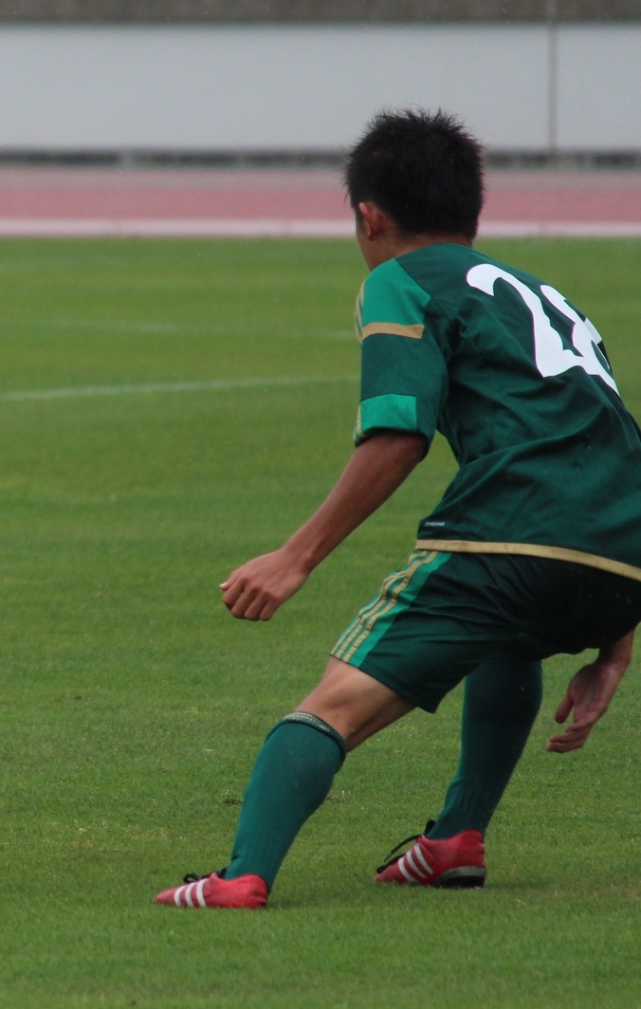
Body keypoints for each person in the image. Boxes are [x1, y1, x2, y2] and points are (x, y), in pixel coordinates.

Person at [156, 110, 641, 910]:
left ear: (368, 216)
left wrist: (295, 556)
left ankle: (241, 876)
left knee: (334, 707)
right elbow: (608, 443)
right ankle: (455, 839)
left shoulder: (401, 279)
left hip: (513, 528)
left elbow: (397, 437)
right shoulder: (548, 296)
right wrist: (616, 645)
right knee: (511, 638)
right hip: (624, 550)